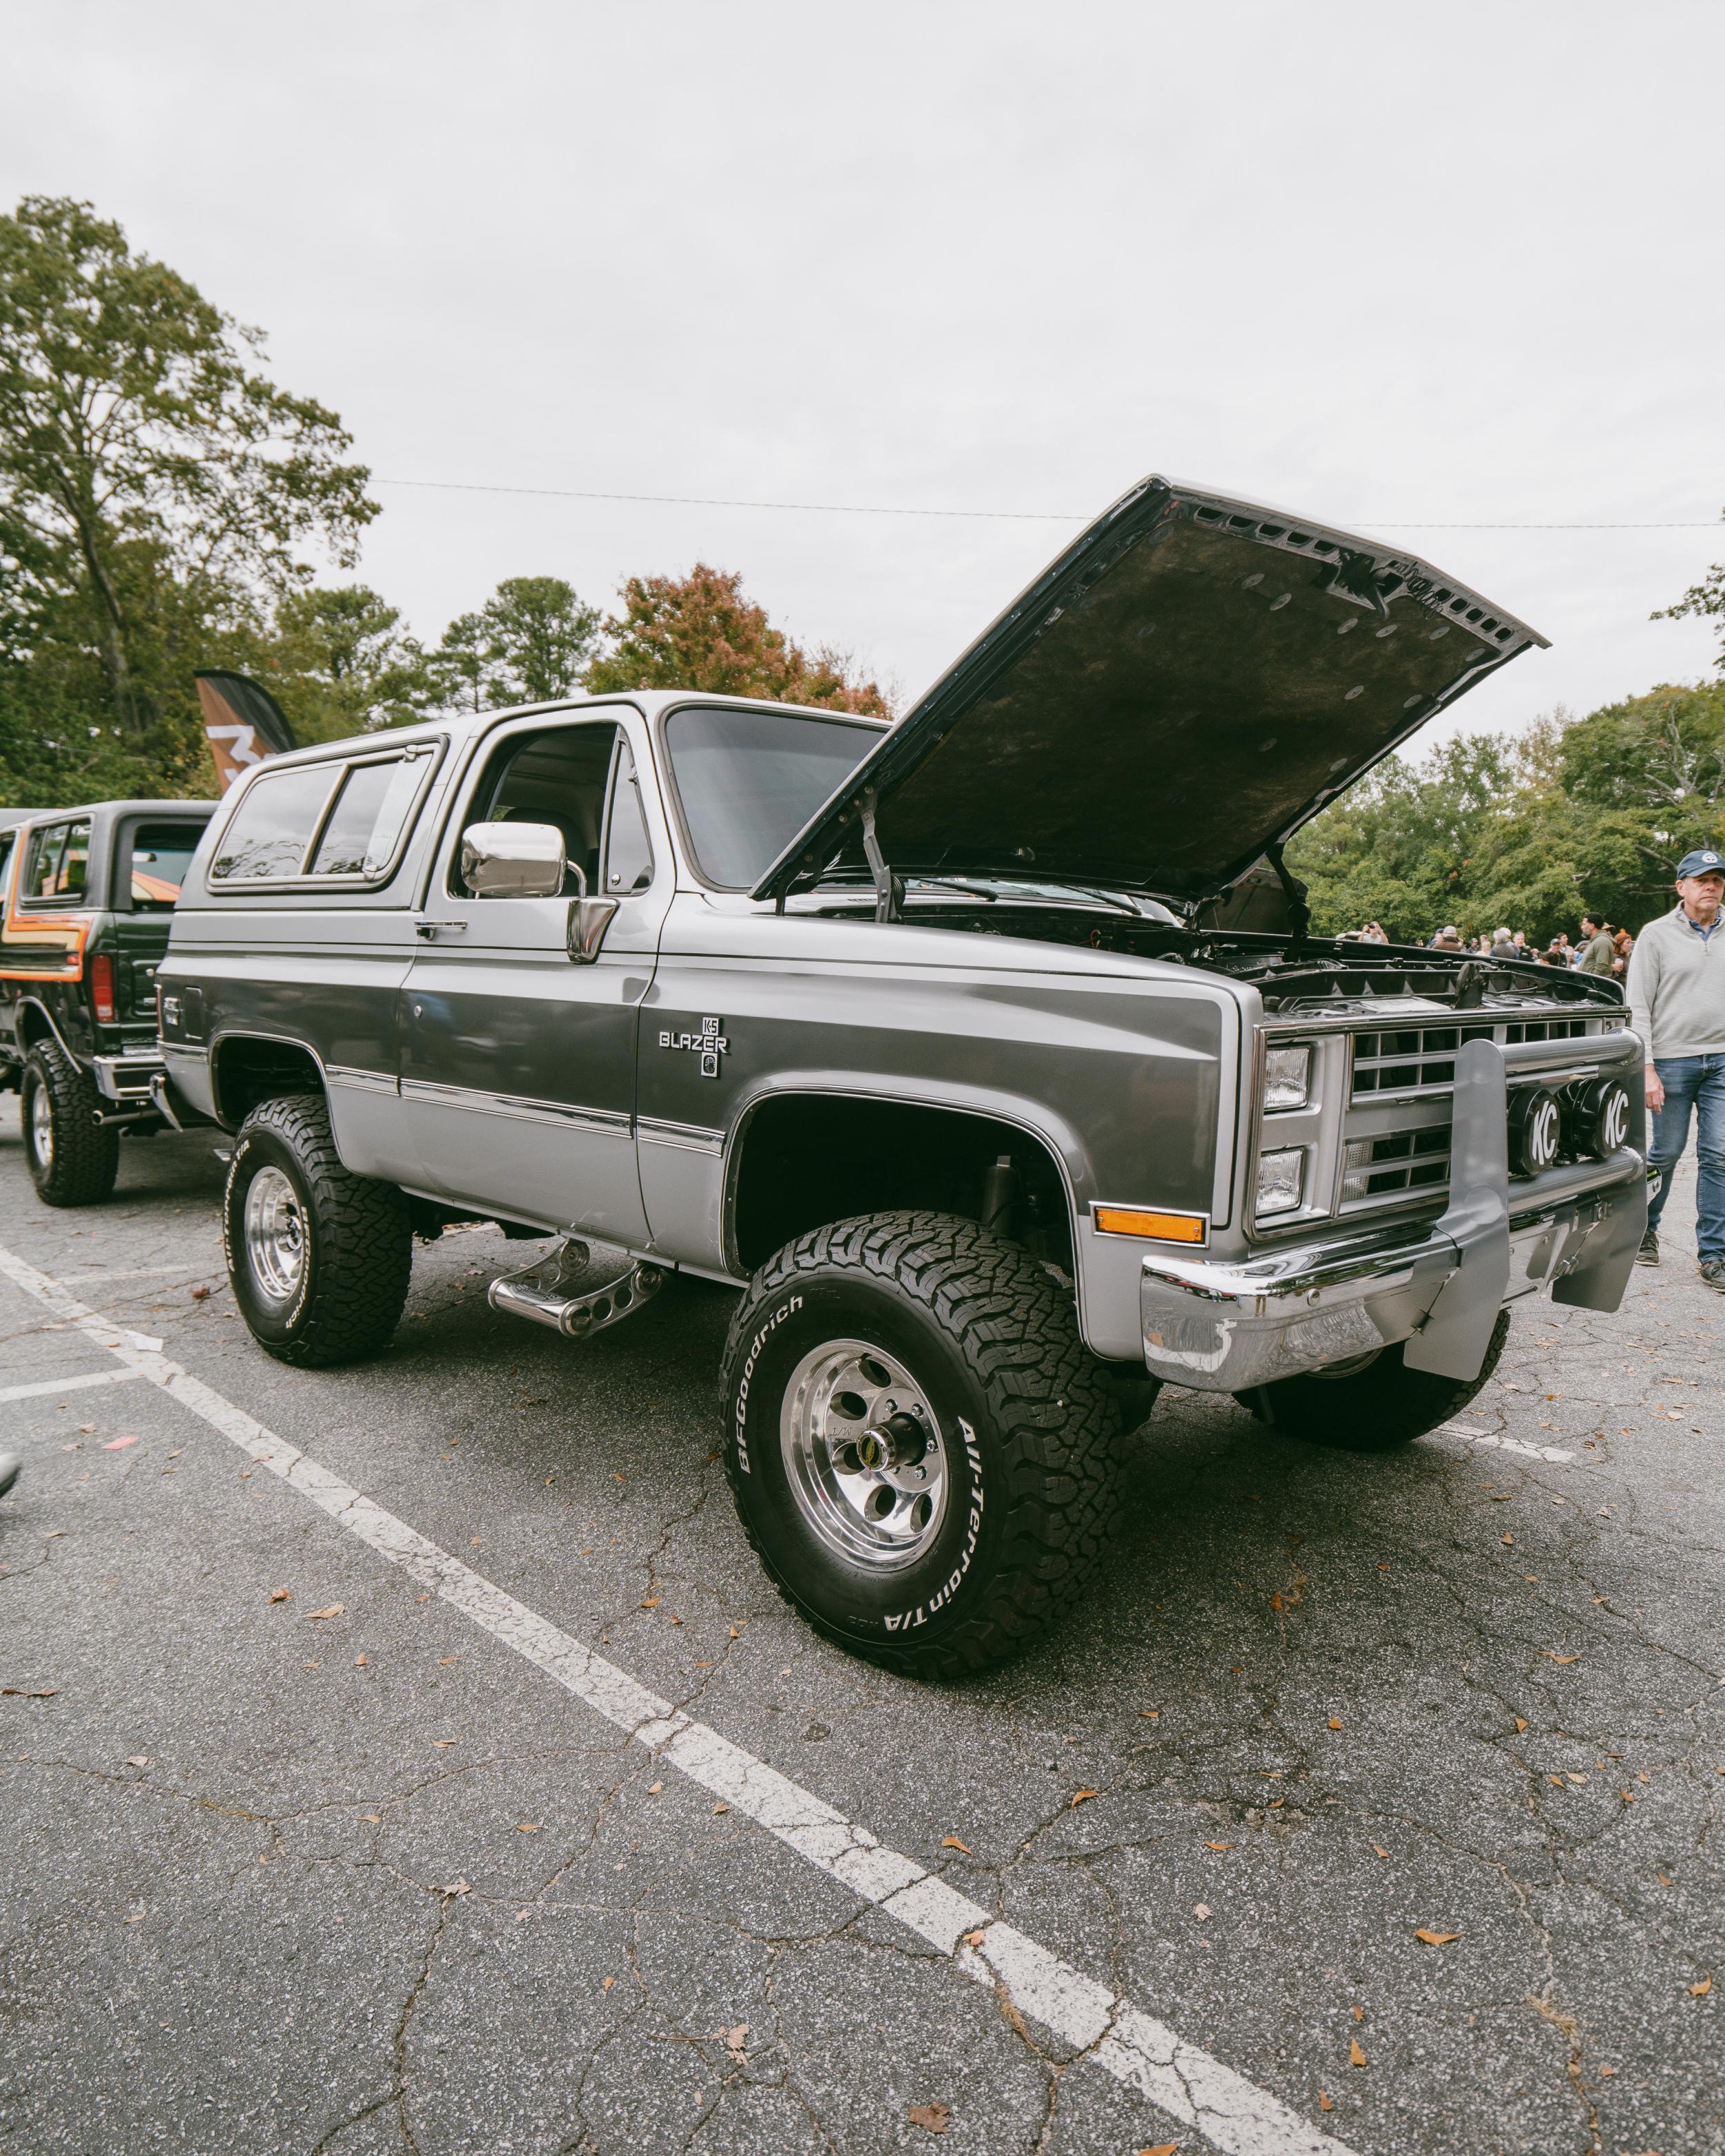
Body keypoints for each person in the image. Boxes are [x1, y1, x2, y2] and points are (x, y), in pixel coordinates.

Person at [1628, 848, 1725, 1280]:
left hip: (1722, 1061)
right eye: (1702, 880)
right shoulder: (1656, 935)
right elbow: (1638, 1006)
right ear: (1681, 887)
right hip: (1671, 1062)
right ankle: (1645, 1229)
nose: (1711, 887)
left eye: (1717, 880)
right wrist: (1647, 1068)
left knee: (1719, 1155)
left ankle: (1714, 1255)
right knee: (1665, 1153)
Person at [1577, 912, 1615, 976]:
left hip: (1594, 982)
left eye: (1584, 924)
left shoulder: (1602, 941)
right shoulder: (1595, 940)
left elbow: (1601, 966)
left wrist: (1591, 980)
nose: (1582, 927)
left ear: (1592, 926)